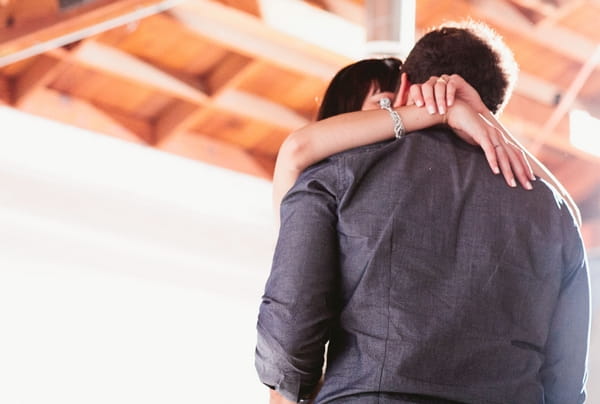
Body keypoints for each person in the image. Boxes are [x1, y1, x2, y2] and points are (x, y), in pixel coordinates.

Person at [256, 20, 589, 403]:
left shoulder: (333, 174)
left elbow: (292, 326)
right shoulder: (554, 213)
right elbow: (566, 382)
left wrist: (290, 386)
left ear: (403, 87)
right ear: (493, 105)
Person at [271, 57, 581, 228]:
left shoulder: (415, 183)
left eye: (408, 104)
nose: (404, 115)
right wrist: (443, 113)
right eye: (384, 102)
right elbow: (296, 148)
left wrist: (484, 118)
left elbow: (567, 212)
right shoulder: (314, 182)